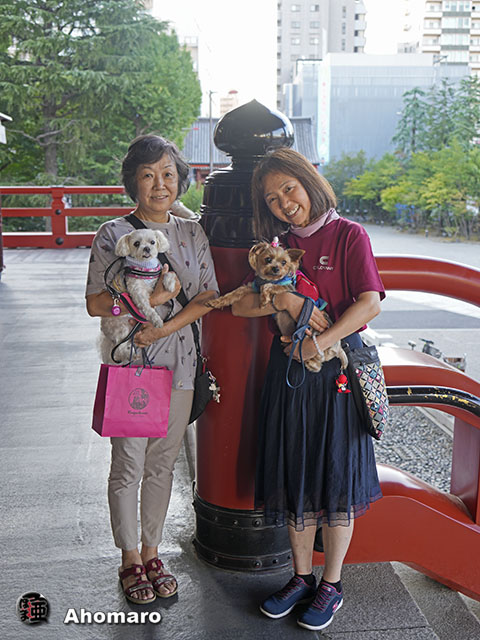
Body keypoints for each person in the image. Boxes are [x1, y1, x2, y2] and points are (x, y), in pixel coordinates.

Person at [231, 148, 385, 632]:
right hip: (290, 375)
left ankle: (331, 584)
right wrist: (289, 300)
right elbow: (240, 307)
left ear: (309, 181)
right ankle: (300, 577)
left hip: (336, 374)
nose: (284, 203)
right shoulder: (275, 247)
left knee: (336, 478)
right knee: (295, 473)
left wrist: (318, 339)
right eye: (272, 198)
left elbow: (369, 304)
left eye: (289, 188)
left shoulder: (348, 234)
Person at [85, 135, 218, 604]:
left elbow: (207, 295)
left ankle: (152, 552)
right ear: (133, 183)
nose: (160, 184)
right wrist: (154, 301)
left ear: (180, 180)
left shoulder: (192, 233)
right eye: (148, 175)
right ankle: (129, 558)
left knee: (162, 465)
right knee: (128, 464)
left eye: (168, 174)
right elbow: (95, 303)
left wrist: (163, 327)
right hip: (132, 366)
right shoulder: (113, 234)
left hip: (180, 361)